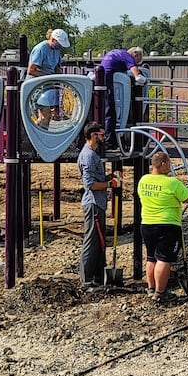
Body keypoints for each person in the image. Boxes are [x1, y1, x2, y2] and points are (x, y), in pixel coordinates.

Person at [137, 149, 188, 303]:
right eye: (168, 163)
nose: (170, 166)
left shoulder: (143, 180)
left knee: (151, 257)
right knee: (164, 258)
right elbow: (187, 197)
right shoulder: (172, 182)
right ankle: (160, 292)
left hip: (147, 223)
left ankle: (151, 288)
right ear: (163, 164)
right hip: (167, 224)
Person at [77, 121, 117, 291]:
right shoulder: (89, 156)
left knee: (99, 242)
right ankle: (86, 282)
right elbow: (90, 184)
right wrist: (110, 185)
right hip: (93, 203)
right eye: (101, 135)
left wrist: (109, 177)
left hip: (98, 203)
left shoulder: (92, 154)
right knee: (91, 242)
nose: (103, 137)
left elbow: (97, 180)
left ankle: (97, 278)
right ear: (93, 136)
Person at [99, 46, 145, 144]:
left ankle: (107, 137)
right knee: (110, 109)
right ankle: (109, 140)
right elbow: (134, 71)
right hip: (108, 78)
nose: (136, 63)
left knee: (105, 108)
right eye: (137, 61)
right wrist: (140, 78)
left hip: (103, 76)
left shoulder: (116, 52)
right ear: (135, 55)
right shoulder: (128, 56)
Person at [26, 28, 71, 129]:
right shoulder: (41, 49)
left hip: (47, 87)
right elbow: (31, 70)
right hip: (36, 86)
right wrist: (48, 78)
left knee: (45, 117)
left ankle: (33, 136)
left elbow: (56, 68)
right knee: (45, 117)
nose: (60, 47)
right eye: (59, 44)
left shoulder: (56, 50)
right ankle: (39, 138)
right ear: (53, 39)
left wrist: (63, 79)